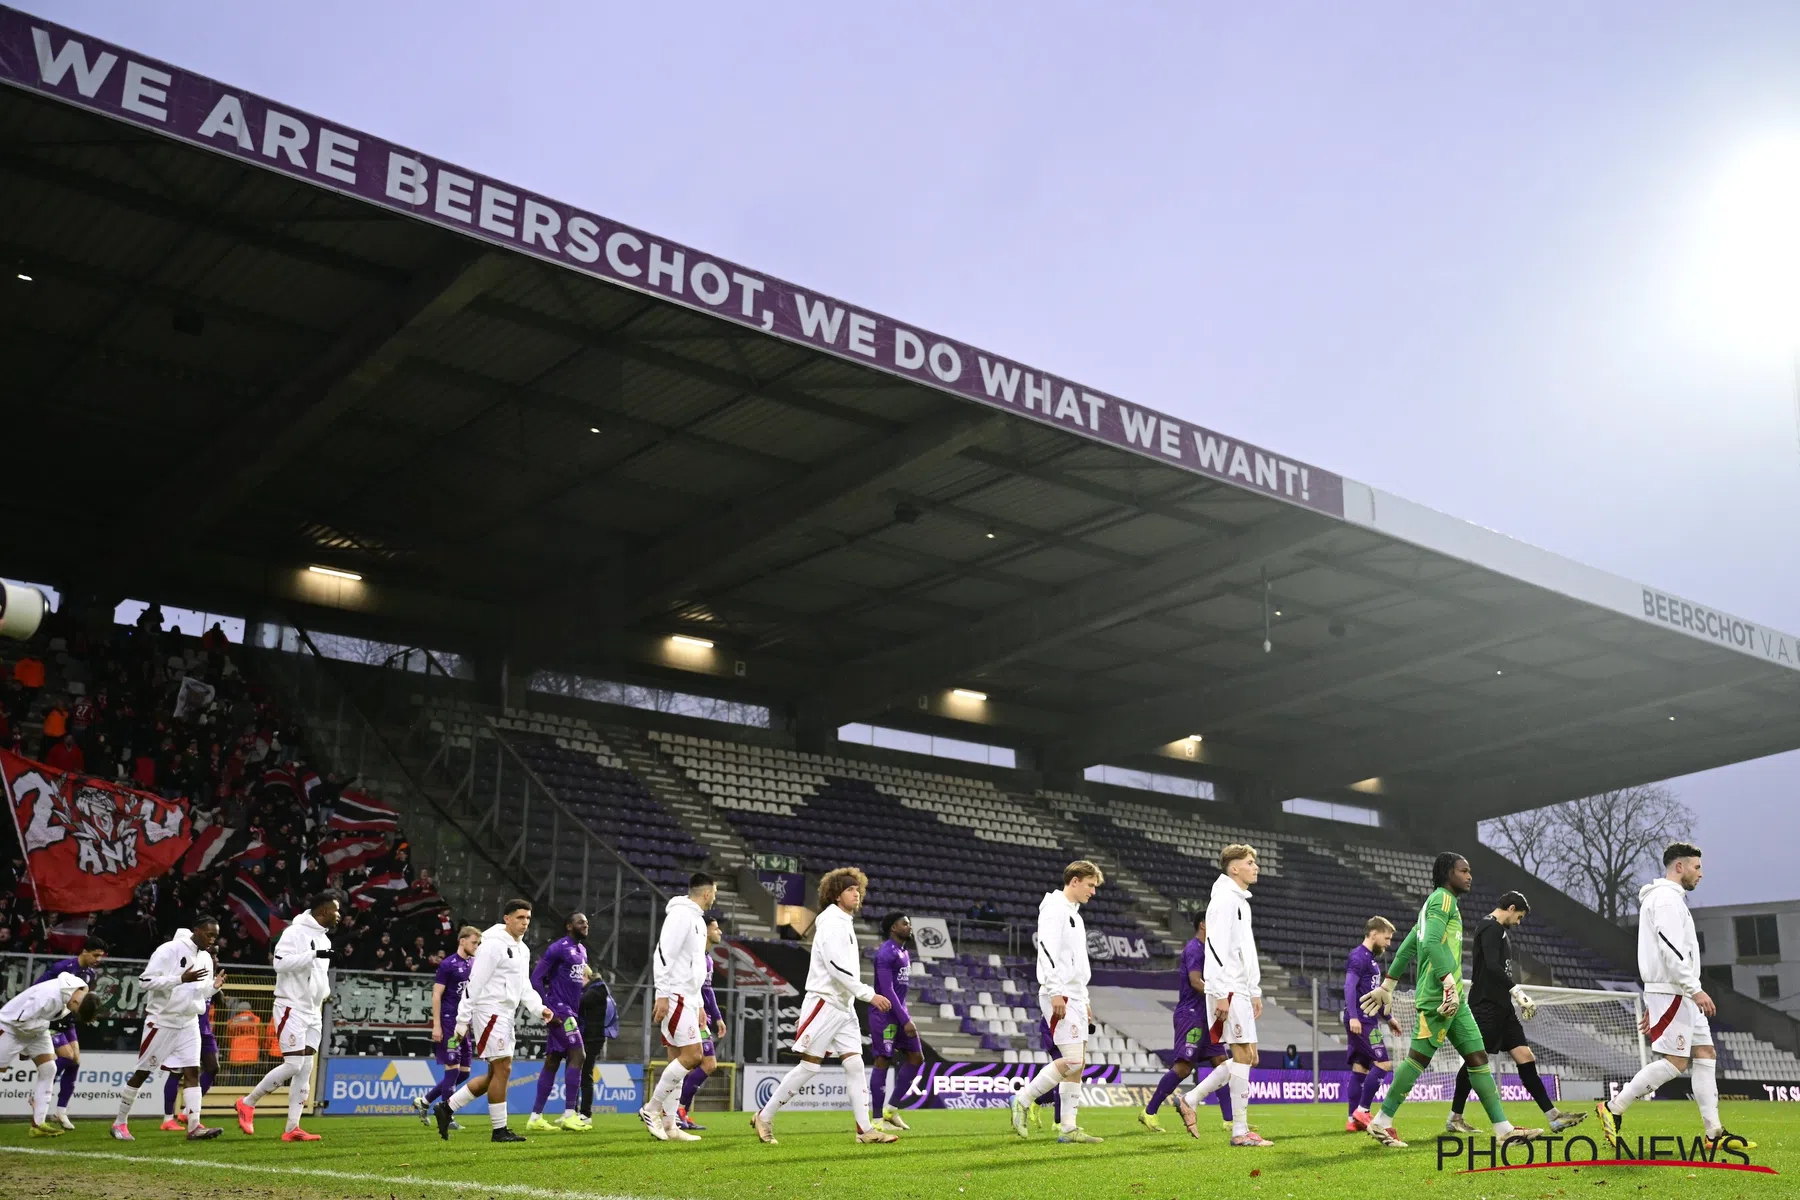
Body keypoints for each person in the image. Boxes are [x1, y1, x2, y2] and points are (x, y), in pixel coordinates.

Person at [1359, 853, 1542, 1148]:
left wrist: (1389, 983)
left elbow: (1409, 943)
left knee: (1477, 1057)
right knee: (1418, 1059)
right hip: (1440, 996)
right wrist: (1446, 982)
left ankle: (1504, 1129)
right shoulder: (1443, 899)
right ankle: (1381, 1121)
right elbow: (1429, 943)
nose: (1469, 876)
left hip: (1454, 997)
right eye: (1464, 870)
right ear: (1448, 873)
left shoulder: (1437, 904)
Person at [1596, 843, 1754, 1153]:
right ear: (1678, 867)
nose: (1701, 873)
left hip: (1675, 990)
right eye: (1696, 867)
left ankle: (1714, 1133)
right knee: (1676, 1061)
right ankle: (1613, 1108)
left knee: (1706, 1053)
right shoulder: (1666, 899)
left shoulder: (1670, 899)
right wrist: (1693, 989)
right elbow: (1670, 949)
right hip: (1675, 990)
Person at [753, 866, 896, 1145]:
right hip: (826, 1002)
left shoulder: (843, 920)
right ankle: (764, 1116)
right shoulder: (830, 920)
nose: (856, 894)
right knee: (809, 1067)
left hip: (843, 1006)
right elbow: (834, 967)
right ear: (836, 894)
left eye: (858, 889)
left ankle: (864, 1131)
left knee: (855, 1065)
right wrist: (868, 994)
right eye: (850, 890)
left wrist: (855, 997)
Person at [1447, 892, 1585, 1135]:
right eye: (1519, 917)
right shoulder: (1490, 927)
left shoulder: (1499, 930)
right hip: (1486, 1005)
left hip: (1502, 1008)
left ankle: (1553, 1117)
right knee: (1475, 1061)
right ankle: (1455, 1117)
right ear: (1510, 908)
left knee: (1526, 1056)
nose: (1519, 922)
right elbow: (1491, 966)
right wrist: (1517, 992)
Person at [432, 898, 554, 1143]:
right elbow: (474, 982)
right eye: (520, 918)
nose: (524, 923)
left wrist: (539, 1008)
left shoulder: (523, 948)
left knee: (494, 1075)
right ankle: (499, 1130)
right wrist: (462, 1019)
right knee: (504, 1068)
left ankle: (446, 1108)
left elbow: (524, 986)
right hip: (489, 1011)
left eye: (528, 918)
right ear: (506, 918)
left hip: (506, 1014)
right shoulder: (493, 945)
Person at [1180, 844, 1274, 1147]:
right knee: (1243, 1056)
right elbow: (1217, 948)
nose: (1255, 867)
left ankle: (1192, 1098)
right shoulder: (1222, 900)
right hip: (1229, 989)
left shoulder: (1239, 901)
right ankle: (1240, 1131)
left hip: (1240, 988)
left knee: (1251, 1057)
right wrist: (1221, 993)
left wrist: (1254, 989)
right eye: (1249, 862)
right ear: (1234, 868)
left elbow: (1245, 950)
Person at [1010, 859, 1104, 1145]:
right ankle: (1022, 1099)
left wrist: (1084, 998)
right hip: (1059, 993)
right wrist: (1054, 990)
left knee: (1079, 1064)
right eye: (1090, 885)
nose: (1093, 892)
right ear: (1074, 880)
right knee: (1072, 1060)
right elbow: (1047, 951)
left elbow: (1076, 961)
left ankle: (1068, 1128)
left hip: (1074, 994)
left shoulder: (1073, 913)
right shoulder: (1054, 910)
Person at [236, 890, 340, 1141]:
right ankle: (248, 1102)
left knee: (306, 1069)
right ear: (324, 910)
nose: (339, 916)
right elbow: (279, 964)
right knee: (293, 1064)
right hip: (291, 1006)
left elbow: (316, 975)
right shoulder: (294, 933)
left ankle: (292, 1128)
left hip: (313, 1009)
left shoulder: (324, 939)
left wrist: (323, 992)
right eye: (336, 910)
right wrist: (312, 955)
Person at [113, 918, 226, 1141]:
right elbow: (145, 981)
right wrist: (179, 979)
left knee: (193, 1071)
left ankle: (194, 1127)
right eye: (209, 935)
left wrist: (213, 988)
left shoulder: (204, 957)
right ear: (196, 931)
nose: (212, 940)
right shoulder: (169, 950)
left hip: (189, 1021)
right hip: (163, 1020)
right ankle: (119, 1123)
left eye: (215, 936)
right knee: (143, 1072)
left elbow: (198, 993)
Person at [1139, 913, 1238, 1136]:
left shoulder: (1210, 952)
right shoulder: (1194, 948)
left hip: (1207, 1016)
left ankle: (1230, 1121)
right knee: (1183, 1068)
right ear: (1203, 924)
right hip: (1191, 1015)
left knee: (1221, 1063)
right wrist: (1219, 994)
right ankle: (1149, 1111)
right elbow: (1195, 982)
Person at [645, 874, 716, 1142]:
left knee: (678, 1061)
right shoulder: (680, 916)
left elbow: (694, 966)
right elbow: (663, 954)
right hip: (675, 995)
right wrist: (662, 994)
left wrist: (698, 1003)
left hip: (688, 997)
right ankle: (651, 1109)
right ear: (708, 893)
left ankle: (671, 1126)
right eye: (715, 892)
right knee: (694, 1056)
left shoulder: (696, 919)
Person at [0, 969, 100, 1135]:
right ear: (75, 1002)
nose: (73, 1013)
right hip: (11, 1028)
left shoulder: (81, 990)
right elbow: (20, 1020)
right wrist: (25, 1050)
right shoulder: (47, 997)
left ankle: (38, 1125)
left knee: (49, 1069)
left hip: (37, 1029)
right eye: (75, 1010)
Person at [33, 936, 108, 1129]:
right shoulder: (62, 968)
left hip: (68, 1020)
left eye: (101, 956)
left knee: (75, 1062)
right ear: (84, 951)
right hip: (50, 1018)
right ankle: (38, 1094)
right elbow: (36, 989)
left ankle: (61, 1111)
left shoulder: (90, 974)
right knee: (66, 1057)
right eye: (95, 955)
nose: (98, 959)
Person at [528, 912, 592, 1133]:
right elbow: (536, 978)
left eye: (586, 922)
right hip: (560, 1011)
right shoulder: (558, 948)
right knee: (578, 1054)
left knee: (553, 1060)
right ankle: (569, 1114)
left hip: (570, 1011)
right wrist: (547, 1007)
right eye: (580, 921)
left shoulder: (582, 951)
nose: (585, 924)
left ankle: (535, 1117)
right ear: (568, 926)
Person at [414, 925, 478, 1129]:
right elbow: (436, 995)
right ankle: (447, 1117)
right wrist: (437, 1025)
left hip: (464, 1023)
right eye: (474, 942)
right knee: (452, 1070)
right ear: (462, 941)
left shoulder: (475, 964)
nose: (477, 946)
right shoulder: (448, 964)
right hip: (450, 1021)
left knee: (465, 1072)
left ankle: (424, 1101)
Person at [1343, 916, 1403, 1132]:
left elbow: (1373, 996)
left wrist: (1389, 1018)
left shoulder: (1370, 959)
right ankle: (1363, 1110)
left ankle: (1352, 1120)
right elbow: (1349, 987)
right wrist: (1353, 1017)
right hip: (1362, 1020)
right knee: (1383, 1064)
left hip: (1367, 1018)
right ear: (1374, 933)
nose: (1388, 943)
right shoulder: (1358, 957)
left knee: (1360, 1067)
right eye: (1386, 938)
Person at [868, 912, 924, 1132]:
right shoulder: (885, 953)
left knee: (916, 1058)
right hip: (884, 1015)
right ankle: (876, 1120)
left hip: (900, 1012)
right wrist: (905, 1019)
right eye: (905, 923)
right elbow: (886, 990)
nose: (909, 926)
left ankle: (891, 1110)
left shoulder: (904, 952)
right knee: (883, 1059)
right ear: (893, 927)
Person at [676, 917, 729, 1131]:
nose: (720, 932)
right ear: (705, 931)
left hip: (701, 1016)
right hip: (689, 1014)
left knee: (693, 1063)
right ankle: (673, 1109)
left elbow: (707, 990)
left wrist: (717, 1017)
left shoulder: (707, 960)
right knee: (706, 1063)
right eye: (716, 928)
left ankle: (677, 1111)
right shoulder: (693, 957)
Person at [162, 1002, 220, 1131]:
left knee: (213, 1068)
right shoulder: (189, 982)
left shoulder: (212, 982)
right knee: (177, 1072)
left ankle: (188, 1112)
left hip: (204, 1030)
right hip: (185, 1029)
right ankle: (168, 1119)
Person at [575, 967, 619, 1121]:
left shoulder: (597, 990)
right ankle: (573, 1112)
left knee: (585, 1074)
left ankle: (585, 1113)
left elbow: (579, 1003)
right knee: (578, 1074)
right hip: (588, 1038)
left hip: (592, 1039)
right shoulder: (594, 990)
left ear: (585, 976)